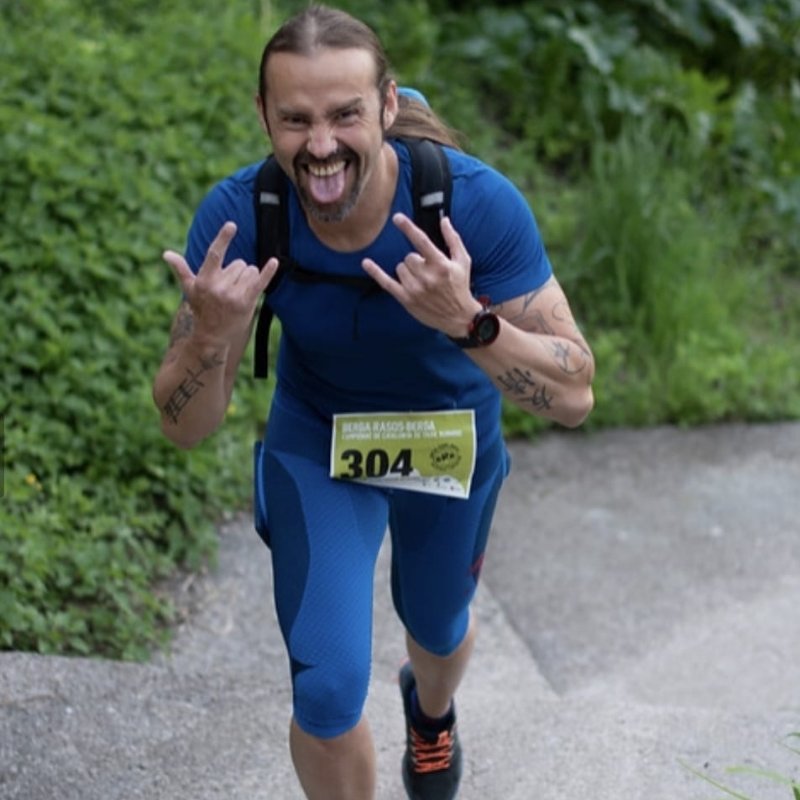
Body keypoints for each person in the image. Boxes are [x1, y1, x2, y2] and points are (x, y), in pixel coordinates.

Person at [152, 5, 594, 799]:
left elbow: (574, 395)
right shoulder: (241, 218)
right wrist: (210, 337)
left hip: (448, 436)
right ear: (264, 115)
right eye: (296, 119)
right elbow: (185, 428)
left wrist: (470, 321)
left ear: (388, 106)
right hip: (320, 441)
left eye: (345, 115)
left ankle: (431, 712)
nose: (321, 145)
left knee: (438, 628)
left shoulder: (473, 205)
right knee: (325, 689)